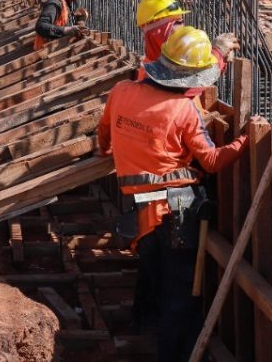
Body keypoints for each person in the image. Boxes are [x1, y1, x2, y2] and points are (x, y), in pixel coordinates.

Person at [97, 26, 249, 361]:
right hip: (177, 218)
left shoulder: (122, 90)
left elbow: (103, 135)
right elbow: (210, 161)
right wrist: (246, 140)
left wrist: (109, 151)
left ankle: (143, 331)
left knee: (155, 282)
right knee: (181, 302)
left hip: (138, 218)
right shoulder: (183, 111)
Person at [134, 0, 238, 87]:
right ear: (157, 33)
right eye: (176, 23)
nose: (182, 28)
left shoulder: (155, 63)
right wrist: (218, 53)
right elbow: (193, 81)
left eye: (181, 20)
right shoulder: (152, 78)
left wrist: (213, 56)